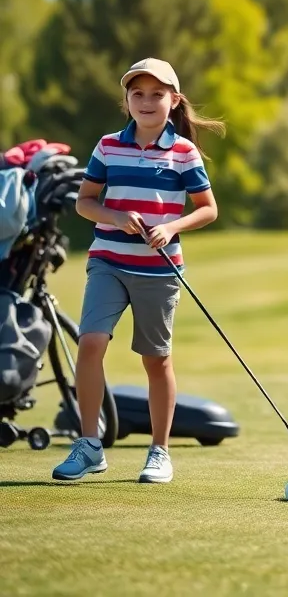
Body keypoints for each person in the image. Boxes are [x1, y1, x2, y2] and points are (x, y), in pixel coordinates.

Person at [52, 58, 221, 484]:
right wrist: (112, 215)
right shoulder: (108, 146)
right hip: (108, 260)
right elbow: (84, 202)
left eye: (156, 94)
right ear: (127, 101)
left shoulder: (183, 152)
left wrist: (171, 227)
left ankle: (159, 452)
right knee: (90, 343)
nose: (146, 101)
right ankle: (89, 445)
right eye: (138, 94)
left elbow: (207, 210)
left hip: (158, 270)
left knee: (155, 359)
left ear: (174, 100)